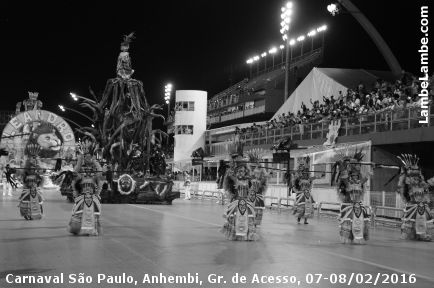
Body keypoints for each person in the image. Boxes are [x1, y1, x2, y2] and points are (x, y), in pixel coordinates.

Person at [332, 150, 370, 244]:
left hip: (358, 205)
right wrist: (341, 166)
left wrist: (372, 168)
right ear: (351, 177)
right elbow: (344, 177)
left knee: (360, 221)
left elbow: (366, 178)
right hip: (349, 205)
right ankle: (348, 237)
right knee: (349, 221)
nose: (355, 177)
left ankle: (357, 237)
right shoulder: (348, 184)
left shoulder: (359, 183)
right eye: (353, 176)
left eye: (356, 176)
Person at [67, 138, 102, 236]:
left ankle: (93, 229)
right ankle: (77, 229)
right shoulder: (80, 173)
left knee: (95, 213)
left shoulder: (94, 173)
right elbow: (75, 173)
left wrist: (95, 161)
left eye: (90, 157)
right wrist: (80, 159)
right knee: (79, 212)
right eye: (86, 157)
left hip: (92, 196)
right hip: (82, 196)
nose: (88, 158)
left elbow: (100, 173)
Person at [396, 154, 433, 241]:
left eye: (417, 170)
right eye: (413, 170)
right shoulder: (408, 181)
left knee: (424, 219)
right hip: (413, 205)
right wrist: (403, 172)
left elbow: (426, 186)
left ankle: (422, 235)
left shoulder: (422, 182)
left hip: (423, 205)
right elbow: (401, 185)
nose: (415, 173)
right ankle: (416, 235)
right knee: (412, 221)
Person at [221, 159, 259, 241]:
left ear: (245, 171)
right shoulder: (235, 180)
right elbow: (230, 174)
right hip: (237, 202)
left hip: (246, 203)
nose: (240, 172)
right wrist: (233, 164)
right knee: (235, 218)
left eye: (242, 171)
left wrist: (255, 165)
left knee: (249, 218)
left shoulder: (249, 180)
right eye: (238, 171)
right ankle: (236, 235)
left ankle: (248, 235)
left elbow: (254, 182)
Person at [293, 157, 315, 224]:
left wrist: (318, 176)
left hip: (307, 194)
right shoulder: (298, 176)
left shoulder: (308, 177)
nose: (302, 166)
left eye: (303, 165)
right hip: (300, 194)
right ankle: (299, 219)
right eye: (301, 165)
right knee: (301, 207)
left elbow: (312, 179)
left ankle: (305, 220)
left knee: (308, 206)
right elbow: (295, 183)